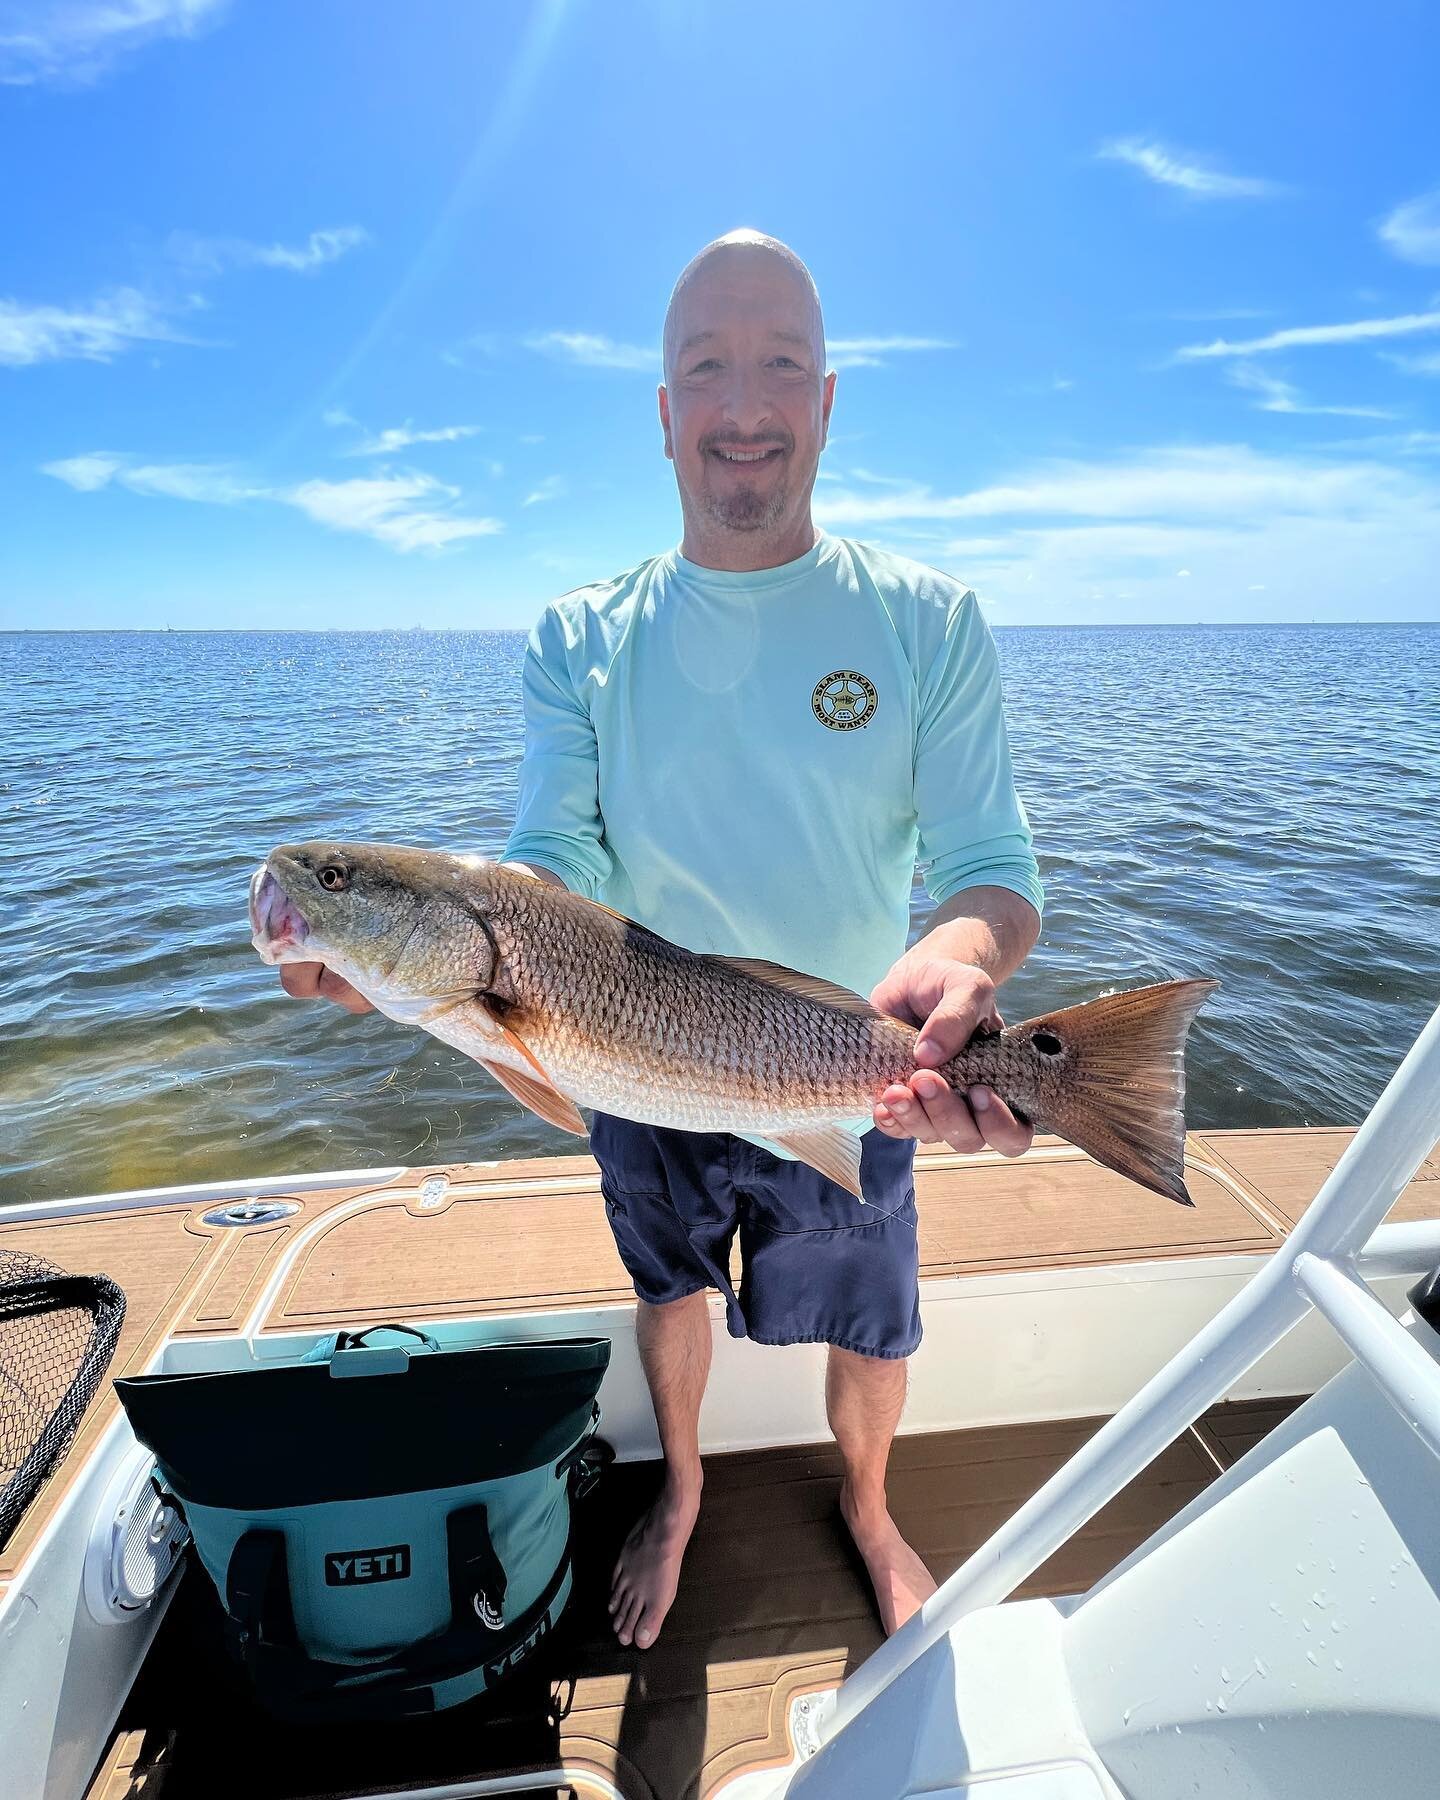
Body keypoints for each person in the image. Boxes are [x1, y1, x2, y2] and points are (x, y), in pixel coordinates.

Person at [279, 230, 1042, 1653]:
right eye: (706, 367)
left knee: (875, 1318)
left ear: (828, 400)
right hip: (630, 1058)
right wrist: (410, 965)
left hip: (848, 1066)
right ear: (662, 410)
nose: (743, 402)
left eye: (778, 366)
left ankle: (869, 1507)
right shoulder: (579, 636)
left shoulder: (930, 620)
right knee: (669, 1283)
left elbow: (991, 867)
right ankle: (683, 1490)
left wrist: (965, 954)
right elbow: (552, 860)